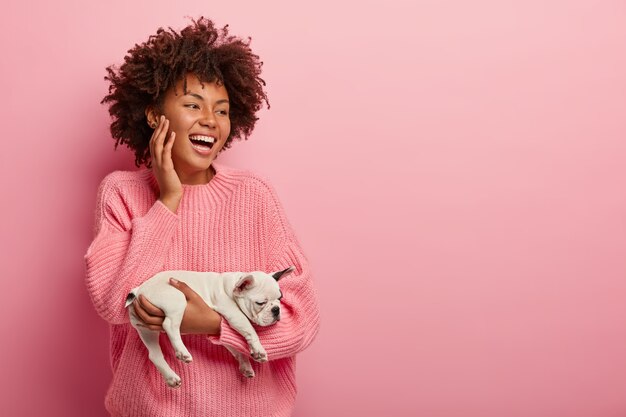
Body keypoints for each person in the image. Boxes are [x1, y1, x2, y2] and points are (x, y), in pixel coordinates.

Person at [84, 17, 320, 417]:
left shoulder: (254, 196)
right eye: (193, 105)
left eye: (222, 110)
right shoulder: (121, 193)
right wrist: (168, 200)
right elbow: (113, 302)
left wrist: (212, 323)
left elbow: (301, 317)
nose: (210, 119)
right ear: (155, 116)